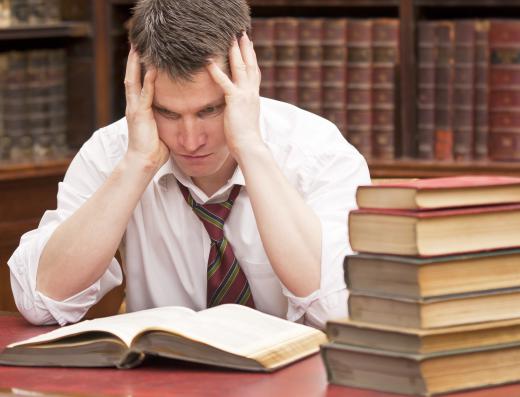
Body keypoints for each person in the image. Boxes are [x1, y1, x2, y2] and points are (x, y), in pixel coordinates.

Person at [7, 0, 370, 329]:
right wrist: (136, 165)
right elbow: (41, 303)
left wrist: (250, 149)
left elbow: (339, 310)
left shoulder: (318, 152)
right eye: (168, 113)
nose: (190, 140)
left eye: (210, 110)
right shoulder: (114, 151)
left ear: (247, 79)